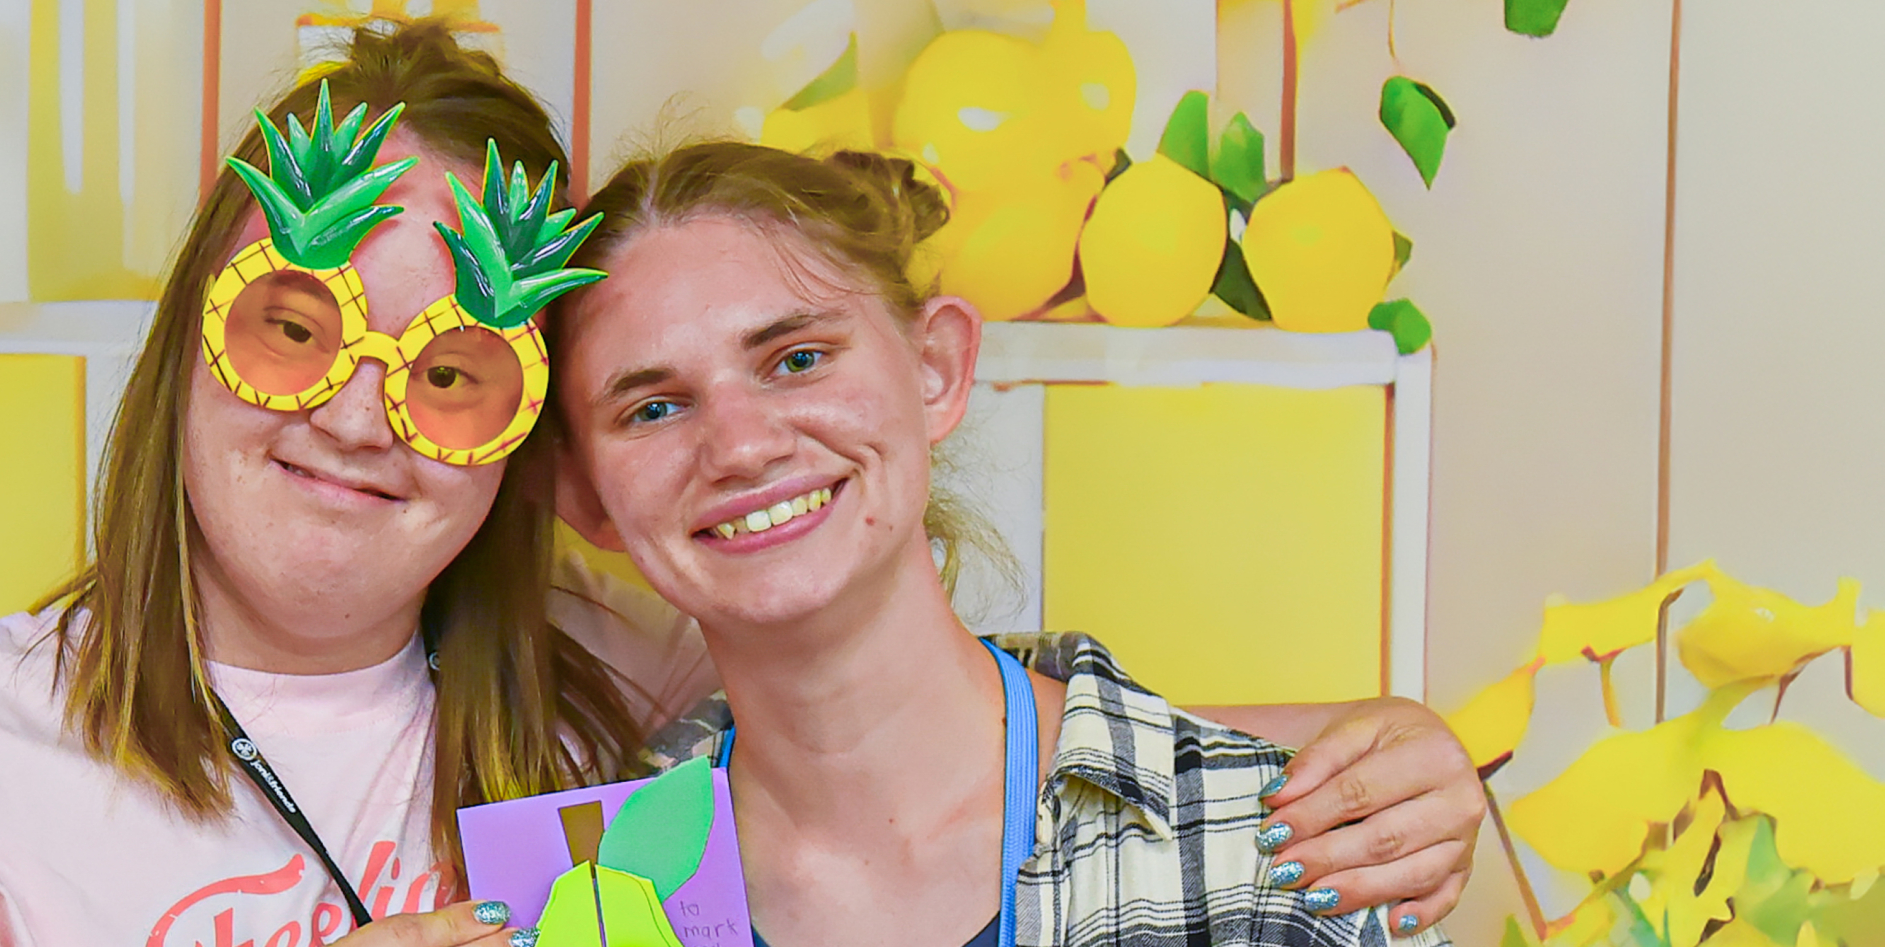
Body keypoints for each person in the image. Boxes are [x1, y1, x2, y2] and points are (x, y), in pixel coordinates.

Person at [0, 22, 1474, 947]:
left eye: (452, 372)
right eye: (296, 326)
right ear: (192, 338)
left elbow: (932, 758)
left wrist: (1374, 749)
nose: (364, 414)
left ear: (530, 457)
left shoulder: (604, 730)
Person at [550, 141, 1476, 947]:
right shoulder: (563, 895)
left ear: (937, 370)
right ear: (585, 492)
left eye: (798, 358)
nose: (743, 445)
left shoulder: (1285, 852)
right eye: (655, 407)